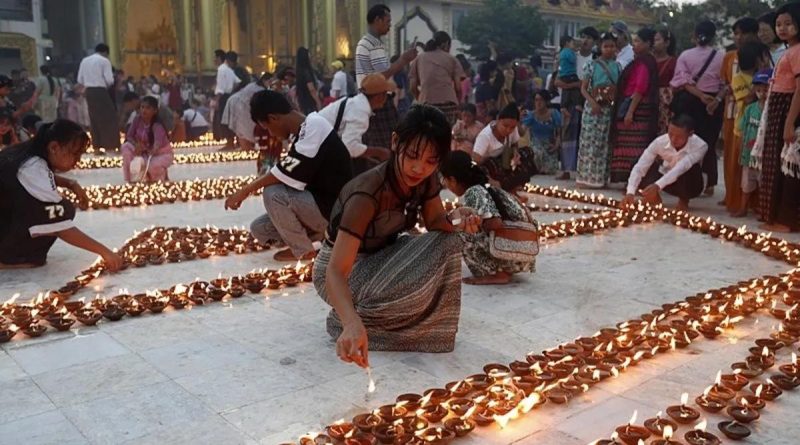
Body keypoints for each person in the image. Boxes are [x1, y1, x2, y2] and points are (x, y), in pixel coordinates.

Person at [312, 104, 481, 364]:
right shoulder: (367, 194)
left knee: (448, 242)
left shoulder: (426, 179)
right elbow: (335, 271)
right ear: (395, 142)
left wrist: (460, 216)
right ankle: (348, 321)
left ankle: (412, 325)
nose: (419, 168)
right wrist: (352, 323)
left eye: (430, 161)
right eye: (412, 155)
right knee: (410, 288)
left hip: (380, 258)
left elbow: (436, 221)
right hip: (338, 273)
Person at [224, 90, 353, 261]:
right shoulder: (302, 132)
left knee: (273, 193)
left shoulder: (314, 126)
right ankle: (320, 235)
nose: (271, 134)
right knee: (260, 228)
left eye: (268, 128)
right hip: (319, 206)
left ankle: (303, 250)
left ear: (274, 118)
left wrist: (245, 190)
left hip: (335, 209)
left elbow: (282, 172)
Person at [0, 120, 122, 270]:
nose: (77, 161)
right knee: (60, 210)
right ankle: (10, 258)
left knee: (60, 208)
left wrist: (70, 183)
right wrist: (105, 252)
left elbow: (29, 178)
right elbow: (59, 225)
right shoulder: (33, 167)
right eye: (74, 153)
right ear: (54, 147)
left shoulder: (26, 154)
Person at [441, 150, 537, 285]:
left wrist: (475, 223)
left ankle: (496, 273)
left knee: (460, 232)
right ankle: (502, 268)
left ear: (452, 179)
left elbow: (495, 223)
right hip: (525, 249)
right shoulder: (485, 187)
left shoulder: (474, 192)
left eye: (444, 179)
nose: (445, 184)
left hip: (514, 250)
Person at [669, 20, 725, 196]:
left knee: (688, 141)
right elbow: (727, 83)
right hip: (714, 103)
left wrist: (700, 95)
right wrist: (715, 99)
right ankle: (710, 183)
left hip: (691, 101)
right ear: (714, 37)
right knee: (709, 142)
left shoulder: (685, 55)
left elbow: (683, 82)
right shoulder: (722, 56)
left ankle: (686, 179)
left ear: (694, 36)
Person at [757, 3, 800, 232]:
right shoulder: (788, 50)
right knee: (775, 163)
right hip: (778, 109)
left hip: (788, 109)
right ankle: (773, 215)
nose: (782, 28)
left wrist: (790, 122)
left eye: (788, 23)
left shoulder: (798, 51)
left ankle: (787, 219)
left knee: (787, 166)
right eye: (778, 24)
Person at [356, 4, 418, 150]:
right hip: (377, 98)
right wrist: (403, 59)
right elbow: (381, 76)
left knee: (379, 143)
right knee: (387, 145)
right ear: (377, 20)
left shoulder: (367, 42)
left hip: (370, 97)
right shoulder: (373, 43)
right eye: (387, 21)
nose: (390, 26)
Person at [621, 115, 707, 211]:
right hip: (665, 178)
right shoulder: (659, 142)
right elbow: (640, 166)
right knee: (637, 163)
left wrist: (657, 186)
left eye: (679, 137)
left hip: (689, 184)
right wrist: (630, 192)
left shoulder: (700, 146)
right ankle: (654, 198)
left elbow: (681, 167)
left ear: (690, 134)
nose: (673, 139)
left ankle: (684, 199)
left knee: (691, 168)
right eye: (670, 134)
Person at [720, 17, 760, 212]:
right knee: (730, 157)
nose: (739, 37)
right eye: (736, 33)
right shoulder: (729, 57)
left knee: (744, 158)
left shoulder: (760, 55)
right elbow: (725, 83)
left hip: (752, 115)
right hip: (731, 112)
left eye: (742, 33)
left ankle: (746, 201)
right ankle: (731, 196)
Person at [610, 28, 659, 183]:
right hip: (634, 106)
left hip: (637, 109)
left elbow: (640, 88)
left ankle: (634, 180)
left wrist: (630, 112)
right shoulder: (640, 60)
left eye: (638, 41)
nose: (634, 44)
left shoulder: (645, 63)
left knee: (635, 147)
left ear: (647, 43)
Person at [318, 73, 394, 174]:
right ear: (380, 96)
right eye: (387, 95)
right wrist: (379, 152)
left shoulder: (356, 103)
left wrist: (367, 154)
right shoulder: (360, 112)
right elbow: (350, 147)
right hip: (316, 145)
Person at [576, 33, 621, 189]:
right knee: (589, 143)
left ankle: (601, 179)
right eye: (606, 46)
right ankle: (585, 178)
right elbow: (583, 88)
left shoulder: (619, 67)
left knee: (605, 144)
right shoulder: (591, 65)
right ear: (600, 47)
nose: (609, 49)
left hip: (609, 109)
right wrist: (592, 103)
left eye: (612, 46)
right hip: (593, 109)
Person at [474, 102, 538, 194]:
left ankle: (513, 187)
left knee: (527, 152)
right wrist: (489, 180)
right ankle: (503, 188)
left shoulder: (513, 127)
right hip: (488, 167)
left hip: (505, 160)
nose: (508, 130)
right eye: (505, 126)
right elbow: (474, 163)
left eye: (512, 127)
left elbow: (514, 143)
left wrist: (516, 154)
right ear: (498, 120)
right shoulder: (485, 136)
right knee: (492, 164)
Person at [734, 69, 771, 218]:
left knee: (764, 184)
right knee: (746, 183)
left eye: (766, 89)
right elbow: (743, 130)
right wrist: (741, 148)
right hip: (748, 155)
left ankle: (763, 210)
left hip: (764, 156)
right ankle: (743, 208)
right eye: (759, 89)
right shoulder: (749, 109)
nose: (762, 93)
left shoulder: (772, 111)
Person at [409, 31, 463, 125]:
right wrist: (457, 104)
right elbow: (458, 88)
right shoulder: (452, 59)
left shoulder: (419, 59)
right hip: (448, 104)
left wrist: (421, 99)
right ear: (446, 44)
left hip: (427, 104)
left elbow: (412, 88)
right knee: (445, 135)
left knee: (429, 135)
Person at [77, 43, 120, 151]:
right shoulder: (104, 61)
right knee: (110, 118)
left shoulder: (85, 60)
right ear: (105, 52)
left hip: (89, 91)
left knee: (94, 118)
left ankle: (96, 147)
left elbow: (80, 80)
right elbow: (110, 80)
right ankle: (111, 145)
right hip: (100, 90)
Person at [121, 96, 174, 183]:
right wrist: (136, 145)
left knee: (152, 168)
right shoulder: (137, 120)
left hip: (160, 154)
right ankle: (129, 178)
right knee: (126, 147)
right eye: (142, 107)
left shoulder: (157, 125)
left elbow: (157, 143)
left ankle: (162, 173)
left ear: (155, 111)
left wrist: (150, 150)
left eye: (148, 108)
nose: (144, 110)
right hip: (143, 152)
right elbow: (129, 136)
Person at [222, 73, 271, 151]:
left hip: (242, 106)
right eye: (270, 81)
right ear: (264, 80)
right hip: (240, 106)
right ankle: (246, 148)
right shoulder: (259, 89)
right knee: (243, 130)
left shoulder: (257, 87)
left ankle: (247, 148)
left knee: (243, 129)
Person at [523, 91, 562, 176]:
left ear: (546, 101)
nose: (538, 103)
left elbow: (559, 133)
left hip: (549, 145)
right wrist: (518, 120)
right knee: (537, 153)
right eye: (536, 100)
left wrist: (556, 146)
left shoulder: (554, 114)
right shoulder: (531, 115)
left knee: (550, 169)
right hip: (536, 145)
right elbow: (522, 132)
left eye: (541, 100)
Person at [212, 49, 240, 148]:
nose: (214, 60)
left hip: (223, 97)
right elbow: (237, 82)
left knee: (224, 120)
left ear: (219, 58)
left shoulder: (221, 69)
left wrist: (217, 100)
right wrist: (231, 92)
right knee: (230, 119)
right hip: (230, 96)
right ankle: (232, 141)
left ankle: (229, 142)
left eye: (215, 58)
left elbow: (220, 87)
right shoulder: (229, 69)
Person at [653, 28, 677, 135]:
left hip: (665, 102)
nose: (654, 43)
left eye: (657, 40)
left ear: (667, 43)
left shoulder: (673, 62)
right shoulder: (649, 60)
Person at [295, 47, 322, 115]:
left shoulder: (299, 71)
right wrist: (318, 101)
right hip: (310, 102)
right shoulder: (306, 71)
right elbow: (311, 89)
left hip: (303, 101)